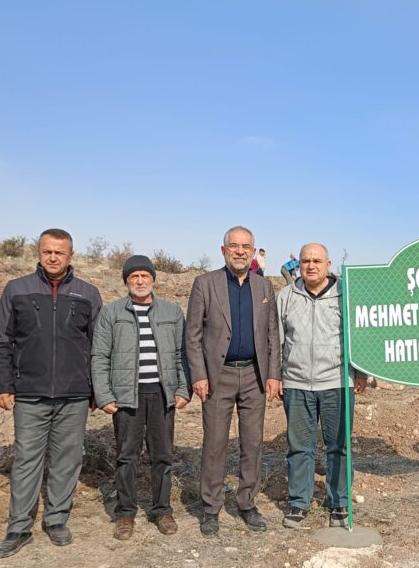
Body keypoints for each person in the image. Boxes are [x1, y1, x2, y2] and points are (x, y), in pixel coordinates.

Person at [0, 229, 102, 558]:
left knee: (68, 459)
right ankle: (18, 527)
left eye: (60, 252)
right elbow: (1, 341)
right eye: (47, 251)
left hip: (74, 393)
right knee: (27, 459)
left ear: (71, 256)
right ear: (38, 253)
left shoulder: (88, 293)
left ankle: (56, 520)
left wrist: (97, 389)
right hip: (29, 391)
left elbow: (98, 345)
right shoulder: (16, 289)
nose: (53, 257)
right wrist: (2, 385)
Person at [186, 226, 281, 536]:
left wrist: (273, 374)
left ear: (253, 252)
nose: (240, 251)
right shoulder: (204, 284)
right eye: (234, 246)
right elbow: (193, 335)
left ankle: (246, 502)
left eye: (246, 247)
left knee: (252, 443)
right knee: (214, 444)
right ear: (223, 249)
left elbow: (272, 336)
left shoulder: (264, 287)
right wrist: (198, 374)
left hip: (254, 375)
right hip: (218, 376)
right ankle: (211, 507)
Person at [92, 255, 191, 540]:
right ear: (126, 281)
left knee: (163, 455)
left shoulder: (171, 311)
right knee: (127, 456)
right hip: (126, 396)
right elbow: (99, 355)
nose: (139, 281)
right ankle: (125, 513)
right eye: (133, 276)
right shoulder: (111, 313)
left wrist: (183, 389)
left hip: (161, 394)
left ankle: (162, 510)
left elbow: (181, 354)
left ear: (152, 279)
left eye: (144, 276)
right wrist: (104, 395)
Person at [275, 243, 367, 529]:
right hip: (296, 383)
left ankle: (339, 502)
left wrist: (361, 372)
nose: (311, 265)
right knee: (299, 447)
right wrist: (276, 375)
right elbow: (276, 339)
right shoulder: (286, 296)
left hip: (337, 382)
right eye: (305, 261)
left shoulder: (346, 295)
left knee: (339, 446)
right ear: (298, 265)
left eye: (317, 261)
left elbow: (359, 335)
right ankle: (298, 502)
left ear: (328, 265)